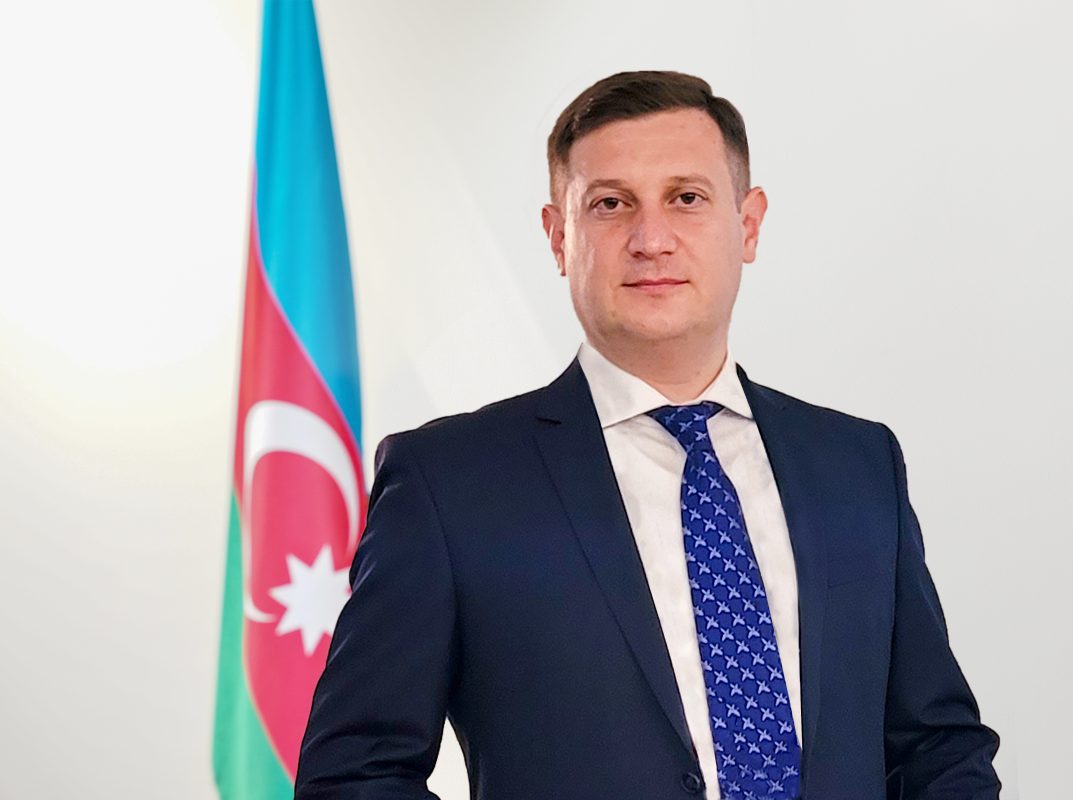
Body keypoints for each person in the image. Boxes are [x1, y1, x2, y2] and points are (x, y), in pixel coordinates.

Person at [294, 71, 1000, 800]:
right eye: (611, 204)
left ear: (749, 224)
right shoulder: (448, 484)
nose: (651, 240)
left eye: (686, 198)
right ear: (558, 237)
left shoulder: (858, 464)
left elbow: (937, 751)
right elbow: (355, 775)